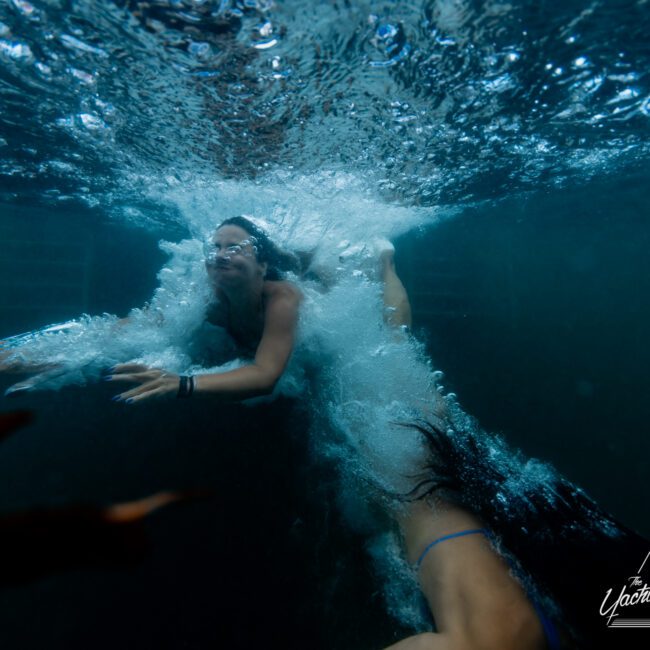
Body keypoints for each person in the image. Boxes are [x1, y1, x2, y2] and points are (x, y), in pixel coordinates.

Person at [104, 216, 303, 403]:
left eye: (234, 248)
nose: (220, 255)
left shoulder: (282, 299)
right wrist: (104, 334)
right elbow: (157, 318)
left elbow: (265, 375)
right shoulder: (208, 294)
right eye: (216, 247)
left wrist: (184, 383)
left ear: (262, 266)